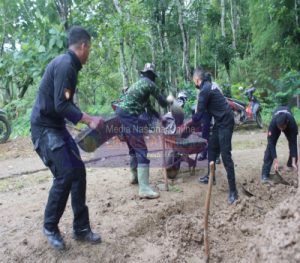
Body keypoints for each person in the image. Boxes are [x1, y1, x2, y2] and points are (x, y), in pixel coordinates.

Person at [30, 26, 103, 250]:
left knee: (78, 172)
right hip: (44, 129)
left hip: (57, 126)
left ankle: (81, 228)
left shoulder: (69, 66)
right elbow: (62, 104)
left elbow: (63, 104)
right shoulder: (65, 65)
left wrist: (80, 118)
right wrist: (88, 119)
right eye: (89, 47)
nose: (89, 52)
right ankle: (50, 226)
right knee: (66, 174)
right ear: (83, 46)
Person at [115, 63, 169, 199]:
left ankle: (135, 177)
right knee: (141, 149)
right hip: (129, 115)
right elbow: (163, 102)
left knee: (133, 147)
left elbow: (149, 108)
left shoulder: (139, 87)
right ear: (151, 76)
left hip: (120, 113)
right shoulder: (149, 84)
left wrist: (160, 117)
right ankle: (144, 188)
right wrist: (171, 99)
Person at [192, 67, 238, 204]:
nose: (194, 83)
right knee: (212, 147)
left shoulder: (204, 90)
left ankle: (233, 191)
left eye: (193, 81)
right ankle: (210, 177)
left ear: (197, 79)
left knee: (225, 155)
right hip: (220, 121)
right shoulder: (209, 86)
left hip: (226, 121)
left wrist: (187, 124)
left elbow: (199, 115)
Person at [261, 106, 298, 183]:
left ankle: (290, 165)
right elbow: (271, 144)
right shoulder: (273, 123)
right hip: (276, 123)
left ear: (287, 122)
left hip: (288, 124)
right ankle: (265, 175)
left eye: (282, 127)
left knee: (292, 142)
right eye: (279, 127)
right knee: (269, 148)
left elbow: (293, 143)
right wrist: (275, 160)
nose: (281, 129)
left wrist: (294, 162)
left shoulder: (292, 123)